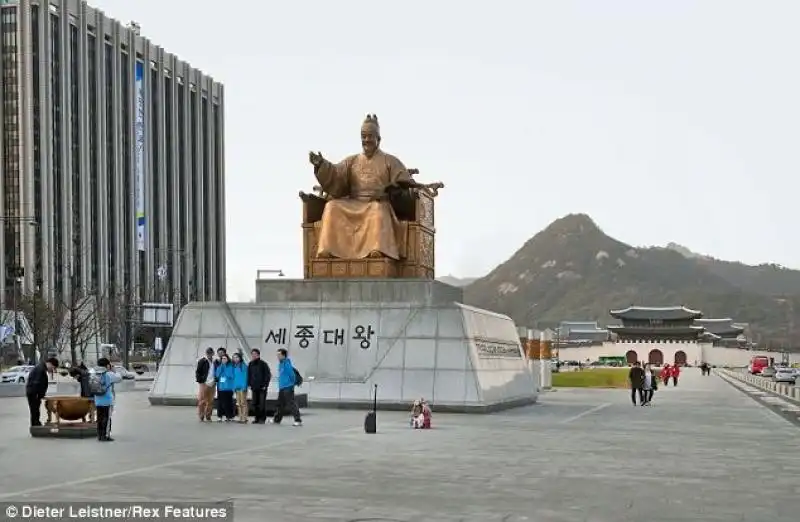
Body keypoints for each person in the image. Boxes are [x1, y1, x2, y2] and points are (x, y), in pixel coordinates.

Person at [308, 114, 426, 260]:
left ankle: (376, 249)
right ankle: (328, 250)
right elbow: (336, 175)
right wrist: (321, 165)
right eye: (363, 136)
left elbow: (403, 182)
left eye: (370, 136)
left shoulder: (390, 161)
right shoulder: (352, 161)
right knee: (331, 206)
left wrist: (387, 190)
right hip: (354, 202)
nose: (367, 140)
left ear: (379, 139)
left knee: (377, 210)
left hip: (378, 202)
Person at [269, 348, 302, 426]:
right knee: (280, 404)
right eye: (277, 355)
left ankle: (298, 420)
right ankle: (277, 419)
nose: (278, 356)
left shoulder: (287, 363)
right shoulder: (281, 364)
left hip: (288, 387)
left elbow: (292, 375)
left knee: (291, 403)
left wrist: (292, 383)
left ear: (284, 355)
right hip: (282, 387)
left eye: (279, 355)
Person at [92, 358, 122, 442]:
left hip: (97, 400)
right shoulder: (109, 374)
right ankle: (105, 435)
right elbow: (119, 378)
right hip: (107, 400)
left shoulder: (94, 373)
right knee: (107, 418)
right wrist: (114, 370)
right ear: (107, 365)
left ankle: (99, 435)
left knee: (99, 417)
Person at [25, 357, 58, 427]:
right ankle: (35, 426)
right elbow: (36, 383)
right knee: (35, 410)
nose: (52, 370)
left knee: (35, 410)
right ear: (50, 364)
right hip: (33, 393)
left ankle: (36, 425)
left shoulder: (41, 368)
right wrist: (37, 394)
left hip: (34, 393)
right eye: (53, 367)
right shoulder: (40, 369)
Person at [247, 349, 271, 424]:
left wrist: (265, 385)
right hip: (254, 387)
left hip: (262, 387)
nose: (253, 355)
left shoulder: (263, 364)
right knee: (255, 403)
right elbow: (249, 375)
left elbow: (267, 375)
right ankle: (256, 418)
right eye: (252, 354)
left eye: (255, 354)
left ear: (258, 354)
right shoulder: (250, 364)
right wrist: (249, 384)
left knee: (262, 403)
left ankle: (262, 419)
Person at [195, 348, 216, 422]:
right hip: (204, 382)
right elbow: (198, 372)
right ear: (206, 353)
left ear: (213, 353)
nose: (209, 354)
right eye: (208, 353)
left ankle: (208, 416)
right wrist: (200, 380)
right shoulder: (202, 361)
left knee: (210, 400)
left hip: (212, 383)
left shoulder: (215, 362)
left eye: (211, 353)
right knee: (202, 400)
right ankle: (201, 415)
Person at [214, 354, 235, 422]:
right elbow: (217, 375)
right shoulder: (219, 367)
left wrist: (225, 369)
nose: (223, 360)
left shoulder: (231, 367)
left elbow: (231, 375)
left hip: (228, 388)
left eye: (225, 358)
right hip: (221, 388)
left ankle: (229, 416)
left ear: (228, 359)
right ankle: (219, 416)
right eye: (222, 358)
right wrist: (221, 368)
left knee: (228, 403)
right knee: (220, 403)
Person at [231, 353, 249, 423]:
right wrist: (234, 387)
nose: (235, 359)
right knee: (238, 403)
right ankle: (240, 417)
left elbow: (245, 377)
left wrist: (244, 386)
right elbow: (234, 378)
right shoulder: (234, 366)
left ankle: (244, 418)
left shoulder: (243, 366)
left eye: (237, 357)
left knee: (243, 403)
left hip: (242, 387)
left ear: (240, 358)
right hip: (237, 387)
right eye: (234, 357)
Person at [214, 348, 227, 421]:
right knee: (220, 399)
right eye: (219, 353)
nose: (220, 354)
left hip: (228, 383)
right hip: (220, 383)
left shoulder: (228, 361)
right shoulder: (216, 362)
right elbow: (215, 372)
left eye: (222, 352)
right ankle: (220, 416)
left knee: (227, 399)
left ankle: (228, 415)